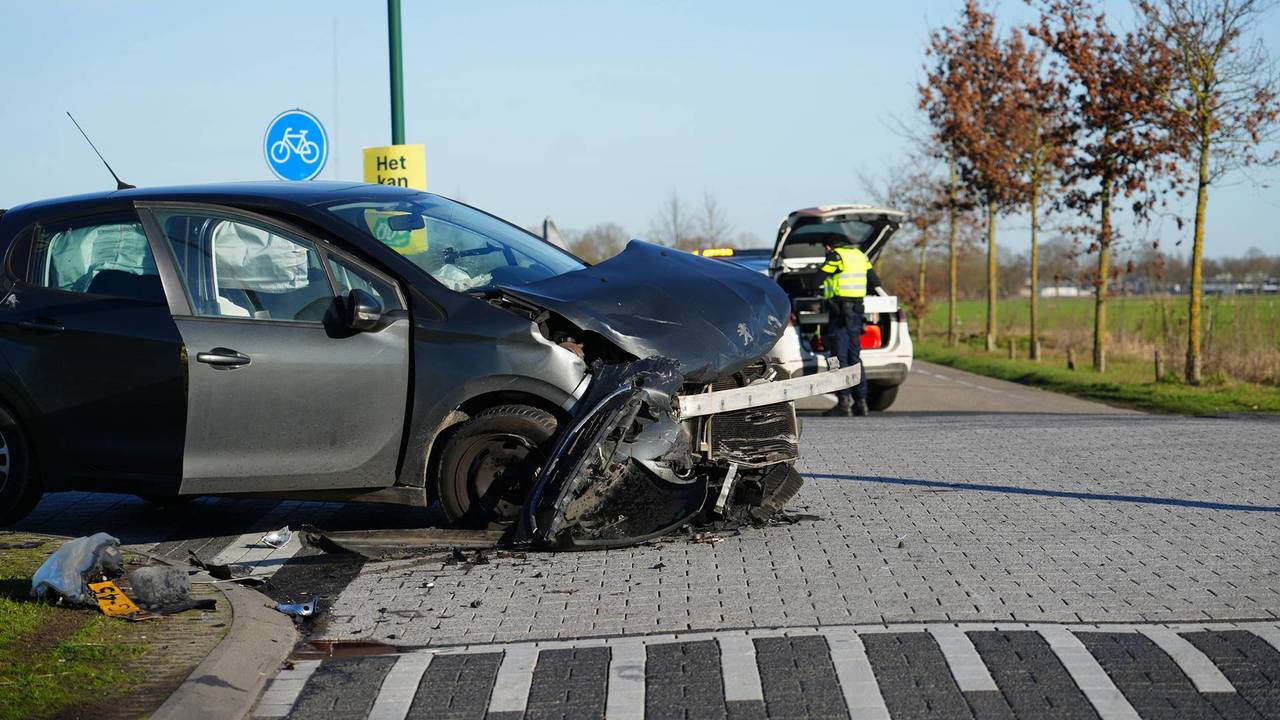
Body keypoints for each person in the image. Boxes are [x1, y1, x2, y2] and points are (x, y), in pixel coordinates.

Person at [816, 235, 882, 416]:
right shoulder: (860, 256)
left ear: (829, 247)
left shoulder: (836, 257)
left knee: (838, 357)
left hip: (839, 312)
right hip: (856, 311)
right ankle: (861, 402)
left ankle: (843, 401)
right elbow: (875, 282)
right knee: (854, 356)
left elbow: (816, 280)